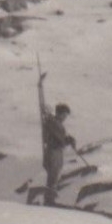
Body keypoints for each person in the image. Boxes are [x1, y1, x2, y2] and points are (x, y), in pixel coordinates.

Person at [38, 71, 77, 207]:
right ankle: (49, 199)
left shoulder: (57, 124)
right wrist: (68, 140)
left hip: (57, 151)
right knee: (53, 174)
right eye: (64, 114)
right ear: (59, 113)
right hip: (53, 151)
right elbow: (59, 138)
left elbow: (61, 137)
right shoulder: (53, 122)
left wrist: (68, 139)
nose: (65, 117)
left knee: (56, 173)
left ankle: (50, 198)